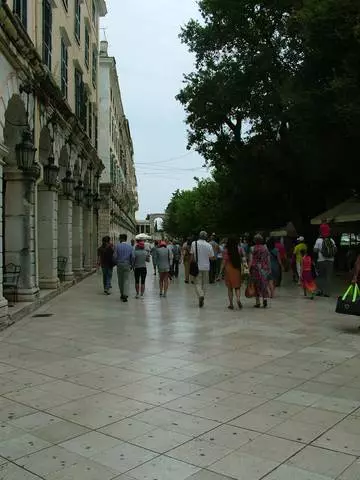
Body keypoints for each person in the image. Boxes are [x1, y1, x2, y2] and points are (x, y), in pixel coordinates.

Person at [190, 231, 215, 308]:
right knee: (205, 284)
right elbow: (212, 257)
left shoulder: (194, 243)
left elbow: (192, 256)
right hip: (206, 267)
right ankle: (202, 296)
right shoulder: (209, 245)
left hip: (197, 267)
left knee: (197, 283)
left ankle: (200, 295)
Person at [314, 223, 337, 297]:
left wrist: (319, 250)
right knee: (328, 277)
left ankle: (320, 291)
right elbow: (335, 250)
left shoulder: (318, 240)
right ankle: (327, 293)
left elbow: (315, 250)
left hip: (321, 261)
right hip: (330, 261)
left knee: (320, 276)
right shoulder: (332, 240)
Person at [222, 237, 245, 310]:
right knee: (237, 286)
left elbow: (224, 261)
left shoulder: (225, 250)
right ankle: (238, 299)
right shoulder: (239, 248)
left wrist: (220, 271)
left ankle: (231, 304)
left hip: (228, 269)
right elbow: (243, 258)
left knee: (230, 288)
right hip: (237, 268)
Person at [249, 234, 271, 308]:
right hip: (264, 268)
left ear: (254, 240)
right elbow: (268, 259)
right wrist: (269, 268)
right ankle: (264, 298)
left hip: (255, 268)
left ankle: (257, 302)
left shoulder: (252, 248)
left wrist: (248, 269)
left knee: (256, 284)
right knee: (264, 283)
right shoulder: (265, 248)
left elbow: (251, 260)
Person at [113, 234, 134, 302]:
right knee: (126, 279)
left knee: (120, 280)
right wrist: (131, 264)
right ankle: (125, 294)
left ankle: (122, 293)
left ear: (121, 239)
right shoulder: (130, 247)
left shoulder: (117, 246)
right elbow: (133, 257)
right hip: (127, 264)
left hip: (119, 264)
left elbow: (115, 256)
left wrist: (116, 262)